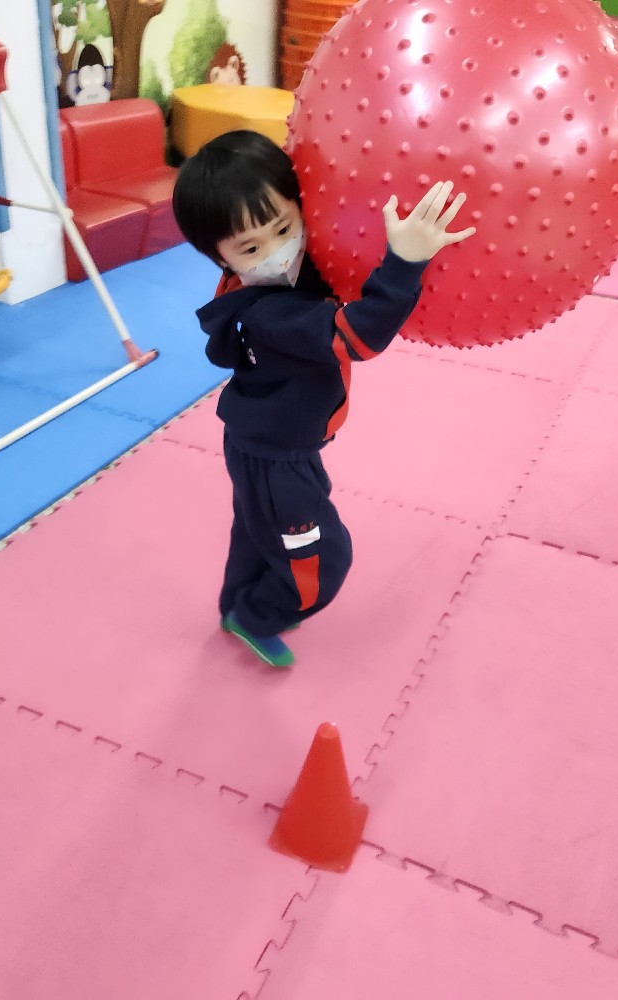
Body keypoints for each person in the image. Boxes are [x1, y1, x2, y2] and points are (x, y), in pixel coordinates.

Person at [171, 130, 474, 667]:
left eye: (284, 228)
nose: (277, 251)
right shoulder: (271, 314)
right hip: (276, 458)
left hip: (266, 444)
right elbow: (358, 338)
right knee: (321, 559)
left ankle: (235, 603)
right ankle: (256, 616)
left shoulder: (269, 282)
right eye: (251, 248)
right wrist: (405, 261)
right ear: (219, 257)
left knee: (255, 531)